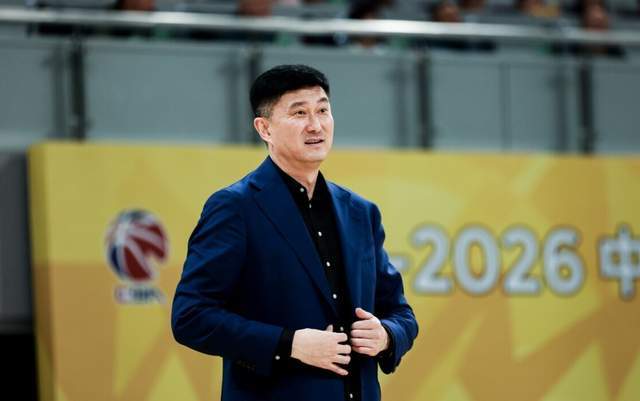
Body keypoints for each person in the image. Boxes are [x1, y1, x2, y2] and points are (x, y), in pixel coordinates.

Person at [171, 64, 418, 401]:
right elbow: (191, 316)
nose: (315, 125)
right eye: (299, 113)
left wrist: (387, 335)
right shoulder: (235, 207)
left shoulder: (361, 213)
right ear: (264, 128)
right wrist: (289, 344)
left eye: (322, 110)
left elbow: (401, 313)